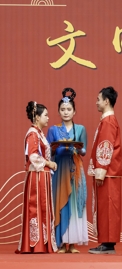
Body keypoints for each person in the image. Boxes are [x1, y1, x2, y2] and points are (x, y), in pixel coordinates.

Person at [47, 88, 89, 253]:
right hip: (59, 169)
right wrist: (55, 148)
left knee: (74, 204)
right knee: (61, 203)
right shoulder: (53, 130)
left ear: (74, 111)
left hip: (75, 168)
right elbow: (48, 152)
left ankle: (72, 243)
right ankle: (61, 242)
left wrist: (76, 148)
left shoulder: (80, 129)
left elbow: (84, 151)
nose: (66, 112)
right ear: (58, 111)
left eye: (69, 109)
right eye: (63, 109)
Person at [17, 102, 57, 254]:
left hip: (42, 177)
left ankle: (42, 242)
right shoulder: (33, 134)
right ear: (37, 117)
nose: (48, 118)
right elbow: (33, 156)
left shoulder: (38, 133)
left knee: (42, 208)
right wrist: (49, 163)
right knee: (36, 208)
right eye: (45, 115)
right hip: (37, 177)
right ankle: (36, 243)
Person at [88, 87, 122, 255]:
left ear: (106, 101)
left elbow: (105, 147)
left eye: (98, 99)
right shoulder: (108, 120)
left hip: (108, 172)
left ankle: (107, 243)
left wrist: (100, 170)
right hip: (110, 171)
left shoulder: (108, 121)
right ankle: (107, 242)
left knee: (107, 206)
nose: (96, 102)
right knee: (107, 206)